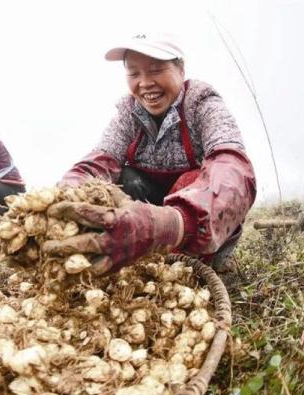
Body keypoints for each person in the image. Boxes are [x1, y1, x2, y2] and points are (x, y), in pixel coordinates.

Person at [45, 33, 256, 275]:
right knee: (124, 179)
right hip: (141, 228)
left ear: (181, 69)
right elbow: (99, 162)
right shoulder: (128, 113)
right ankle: (133, 259)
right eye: (134, 74)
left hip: (194, 227)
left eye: (156, 70)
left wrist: (172, 224)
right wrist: (64, 194)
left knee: (191, 180)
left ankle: (189, 267)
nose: (144, 83)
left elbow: (233, 169)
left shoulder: (202, 104)